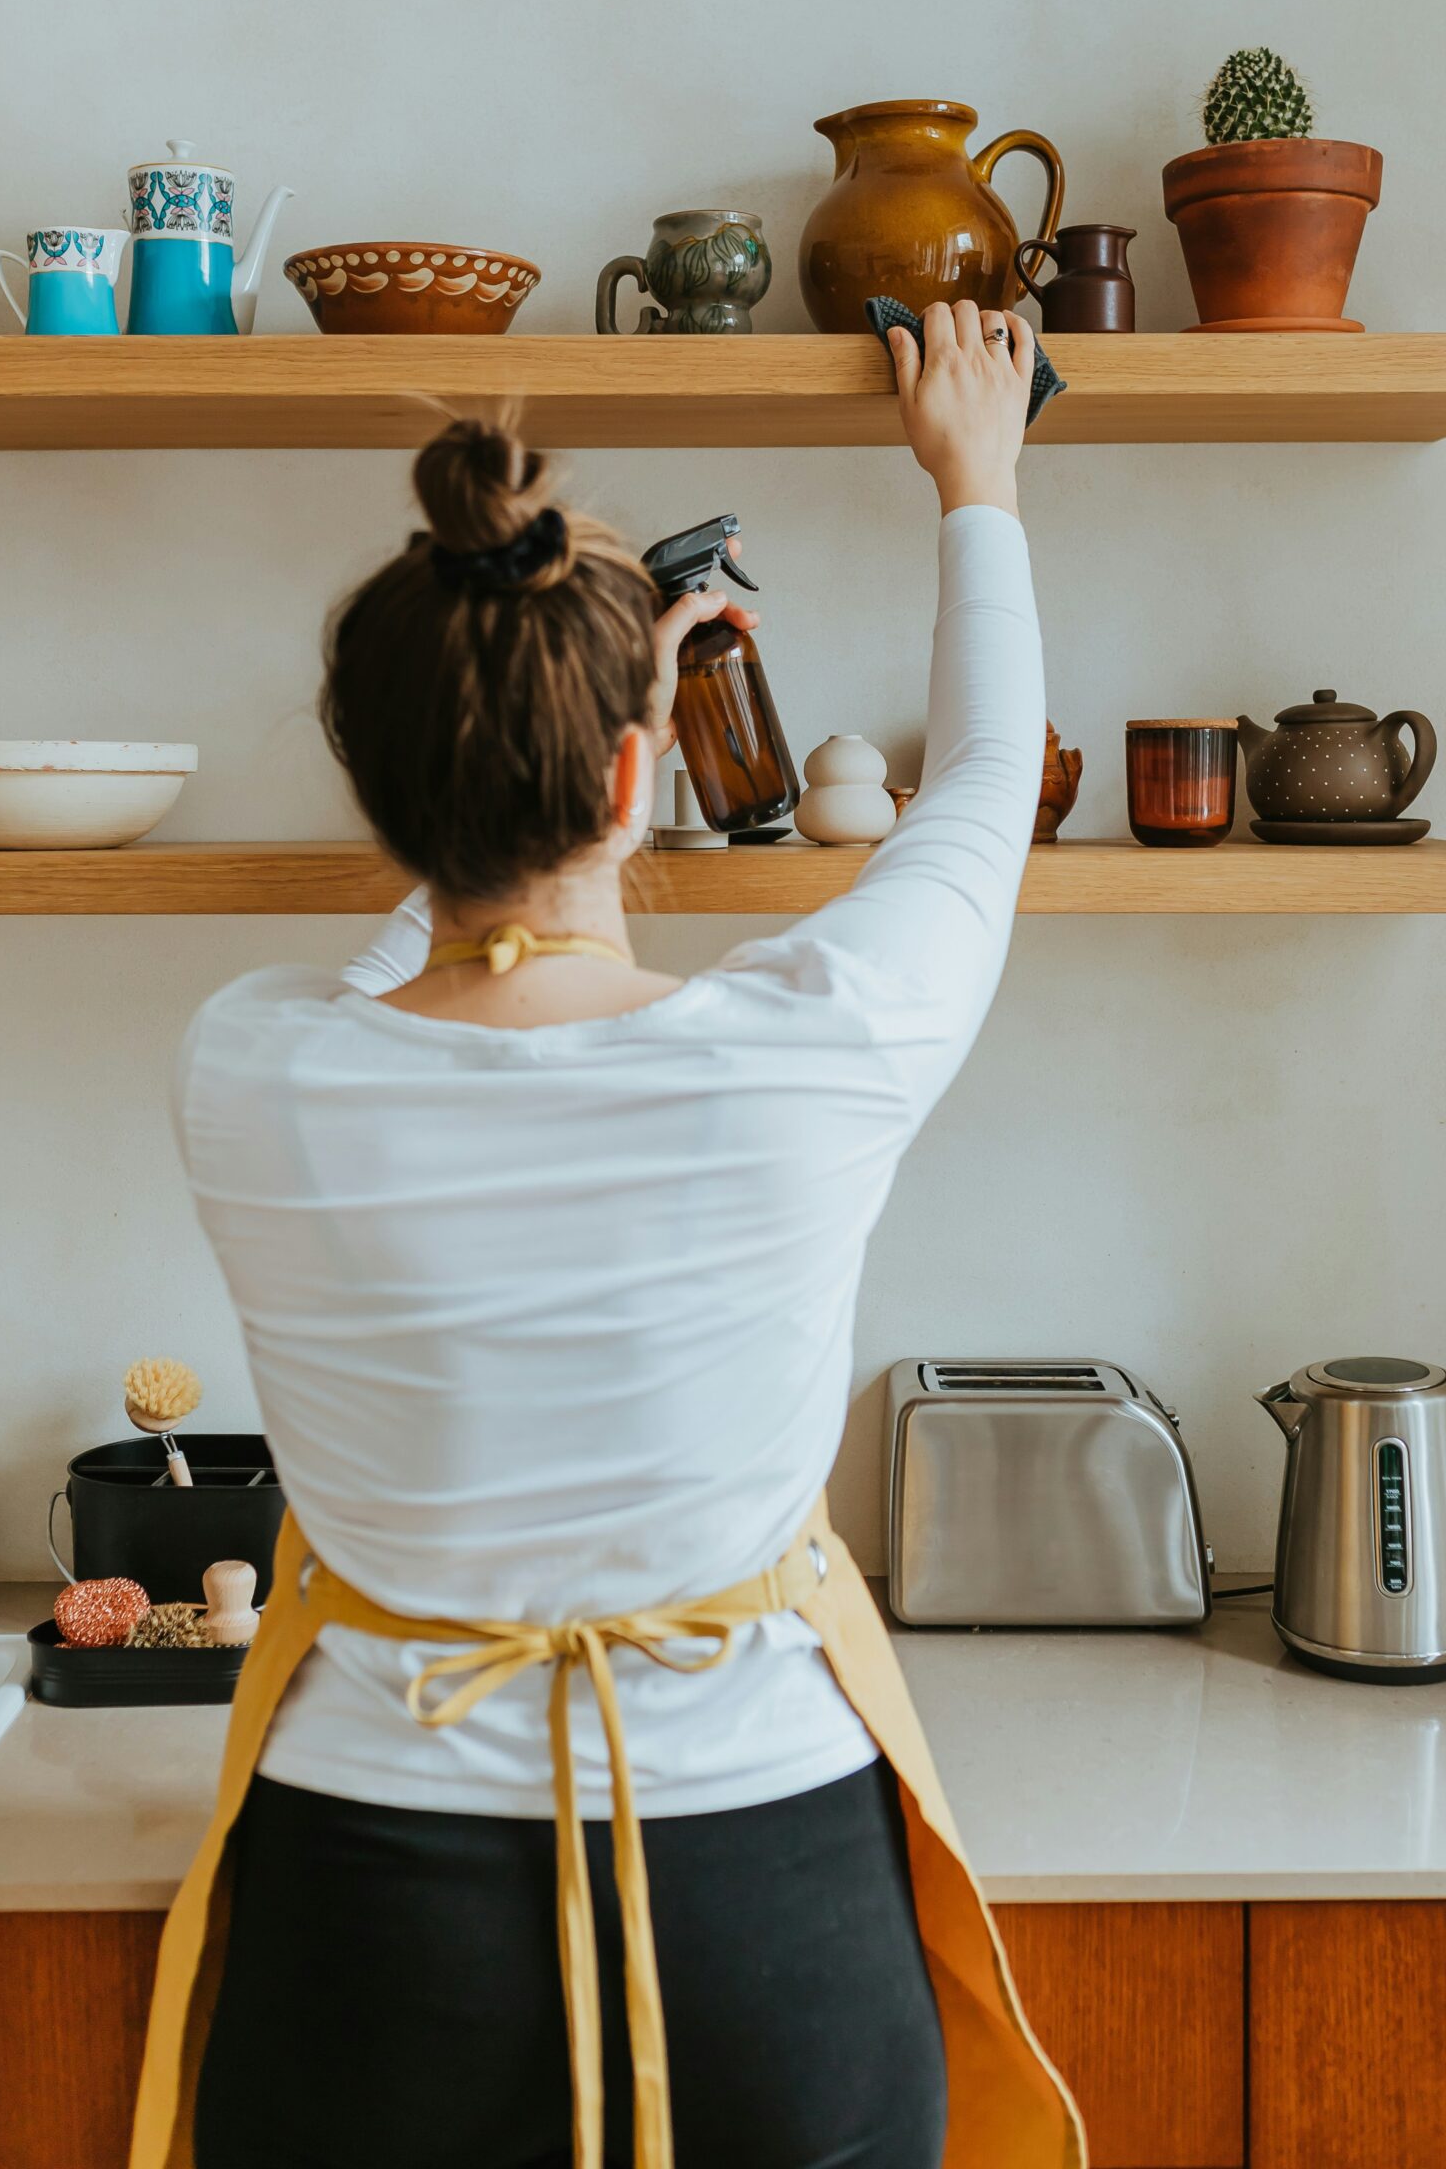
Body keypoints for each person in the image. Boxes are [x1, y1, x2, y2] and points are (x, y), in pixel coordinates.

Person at [130, 303, 1083, 2169]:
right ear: (642, 782)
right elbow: (982, 792)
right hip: (763, 1910)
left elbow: (410, 942)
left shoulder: (253, 1069)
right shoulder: (812, 1044)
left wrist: (543, 743)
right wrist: (978, 480)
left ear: (372, 789)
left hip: (366, 1917)